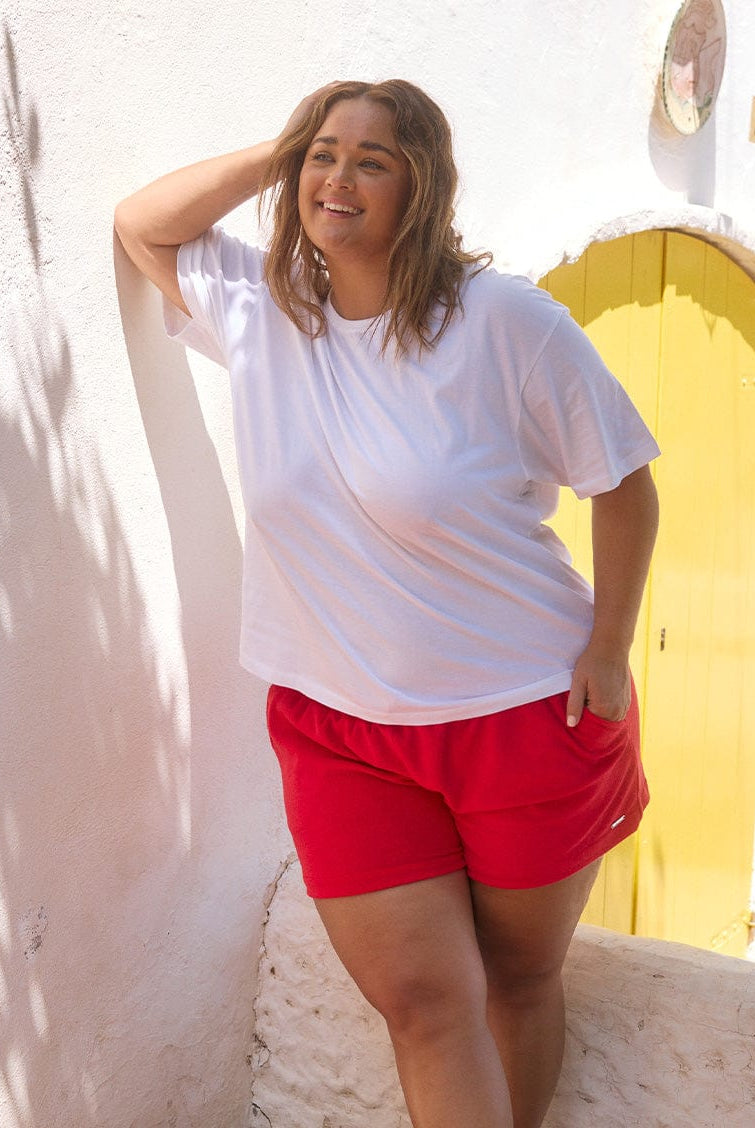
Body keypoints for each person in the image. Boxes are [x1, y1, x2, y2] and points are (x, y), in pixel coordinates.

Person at [114, 79, 660, 1128]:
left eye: (373, 160)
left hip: (522, 714)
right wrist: (280, 145)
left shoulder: (503, 323)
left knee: (515, 981)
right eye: (323, 155)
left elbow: (623, 481)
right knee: (420, 1004)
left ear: (423, 187)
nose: (338, 178)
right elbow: (143, 224)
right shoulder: (265, 310)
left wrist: (608, 646)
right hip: (339, 728)